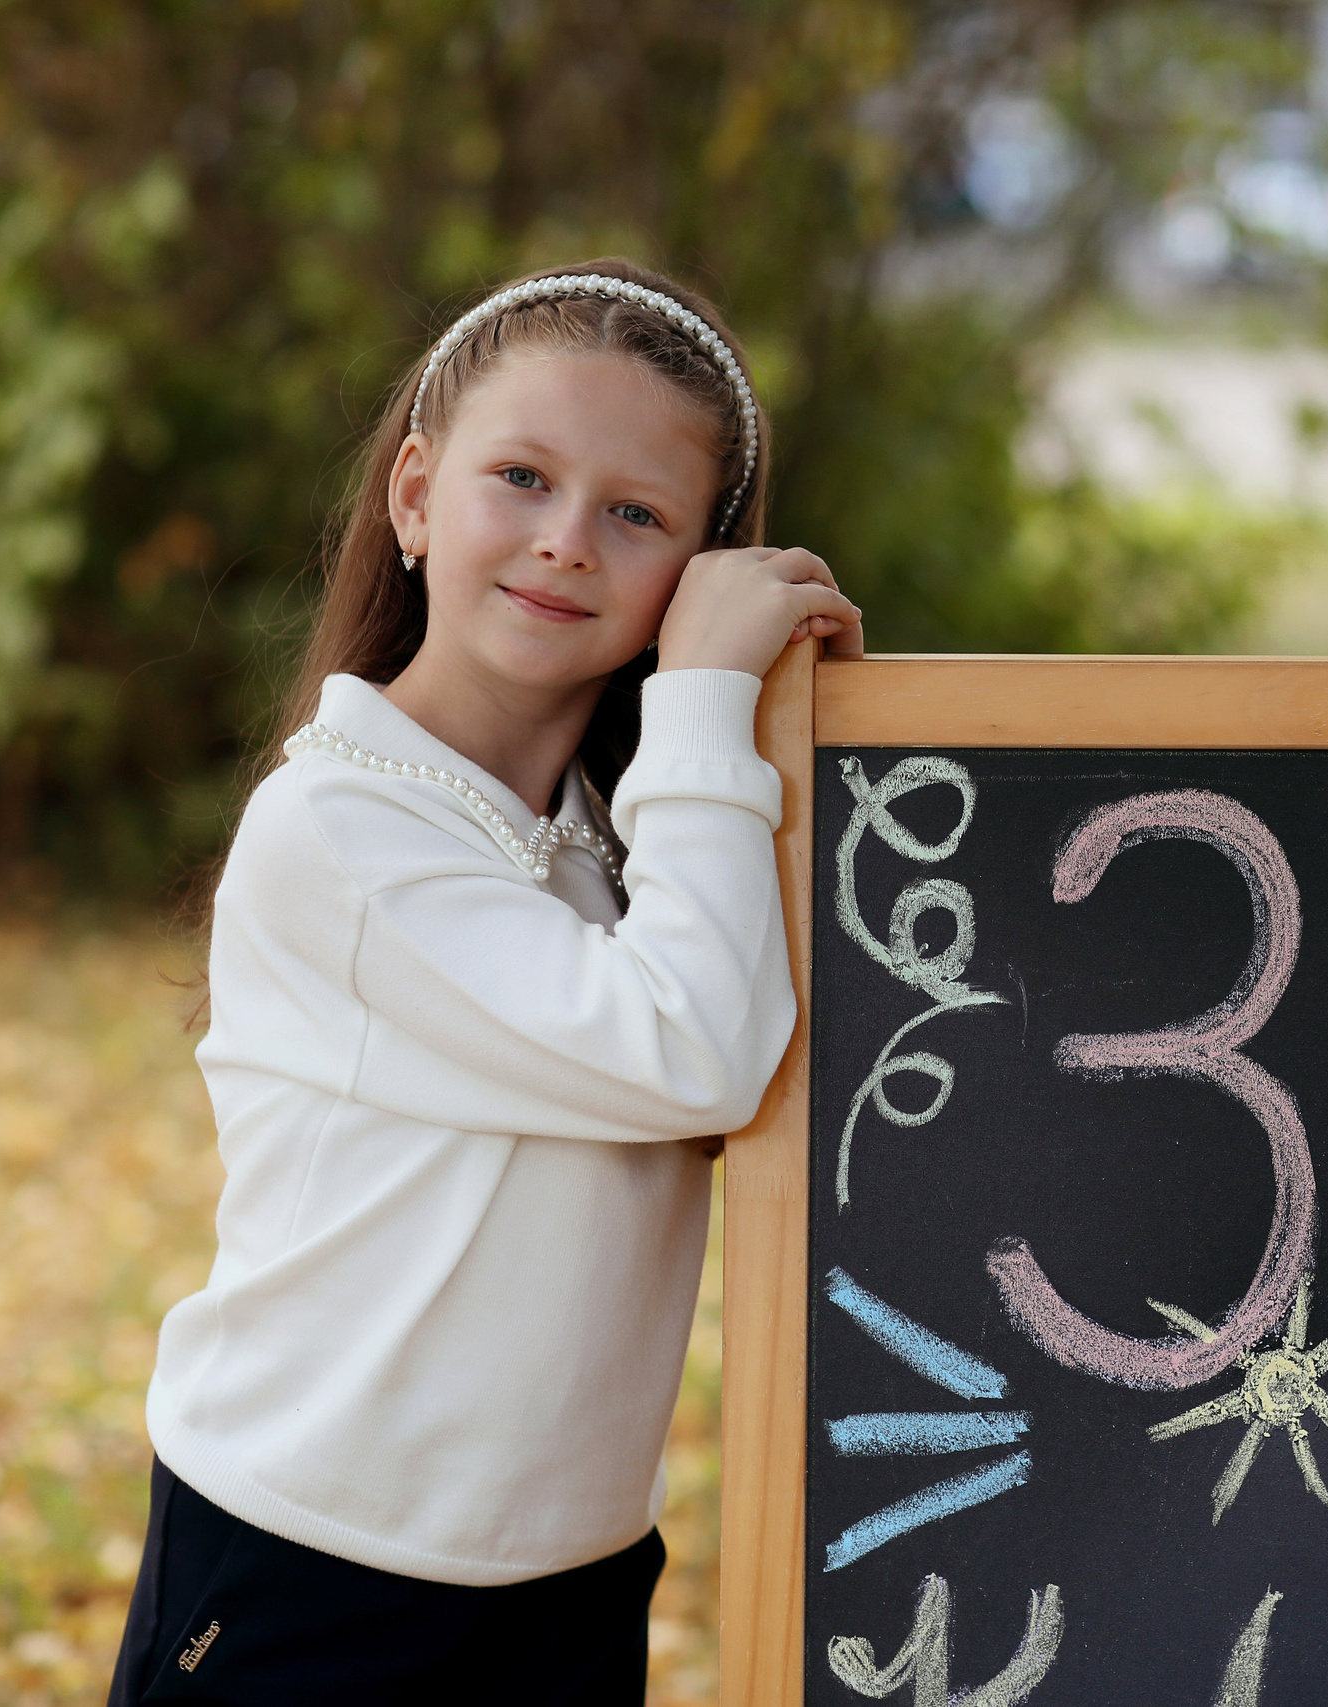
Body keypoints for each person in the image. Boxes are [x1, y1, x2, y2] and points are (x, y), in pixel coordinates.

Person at [107, 259, 861, 1705]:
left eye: (635, 513)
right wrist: (707, 699)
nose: (567, 540)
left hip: (566, 1582)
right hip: (309, 1576)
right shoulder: (337, 829)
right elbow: (690, 1049)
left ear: (689, 578)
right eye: (520, 476)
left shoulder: (630, 850)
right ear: (412, 498)